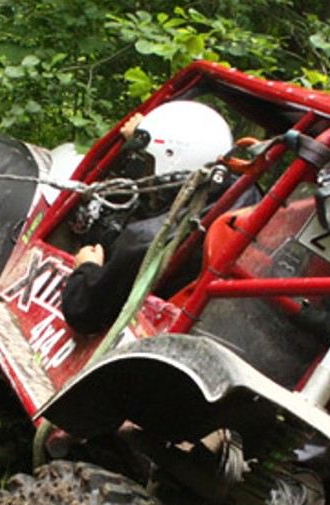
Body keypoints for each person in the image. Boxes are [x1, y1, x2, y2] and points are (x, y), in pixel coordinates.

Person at [60, 100, 237, 333]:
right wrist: (148, 135)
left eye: (148, 161)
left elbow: (83, 312)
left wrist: (87, 268)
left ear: (171, 158)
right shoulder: (240, 194)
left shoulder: (143, 241)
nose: (144, 168)